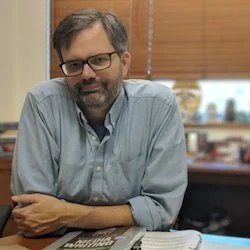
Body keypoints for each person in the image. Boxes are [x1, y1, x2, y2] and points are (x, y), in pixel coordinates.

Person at [11, 8, 187, 237]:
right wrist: (128, 213)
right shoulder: (42, 103)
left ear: (124, 63)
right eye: (74, 64)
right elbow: (34, 212)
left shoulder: (158, 105)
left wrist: (65, 214)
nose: (87, 74)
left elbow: (162, 210)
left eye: (99, 60)